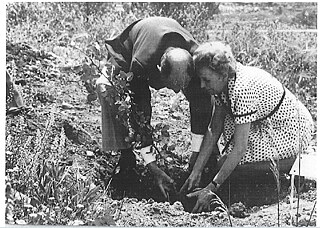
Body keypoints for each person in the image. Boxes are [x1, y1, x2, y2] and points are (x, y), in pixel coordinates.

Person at [180, 41, 314, 213]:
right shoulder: (224, 84)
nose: (202, 86)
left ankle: (294, 163)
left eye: (206, 79)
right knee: (225, 161)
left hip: (291, 129)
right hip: (266, 122)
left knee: (237, 165)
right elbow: (214, 128)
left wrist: (211, 189)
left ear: (221, 73)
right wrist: (196, 172)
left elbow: (240, 148)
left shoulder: (242, 89)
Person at [98, 17, 213, 199]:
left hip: (164, 39)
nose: (177, 90)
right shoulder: (141, 65)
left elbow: (201, 103)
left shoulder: (195, 58)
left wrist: (196, 155)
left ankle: (209, 159)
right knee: (107, 88)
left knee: (206, 92)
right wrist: (152, 165)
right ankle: (126, 159)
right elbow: (140, 112)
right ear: (159, 71)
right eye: (173, 85)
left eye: (181, 85)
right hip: (129, 50)